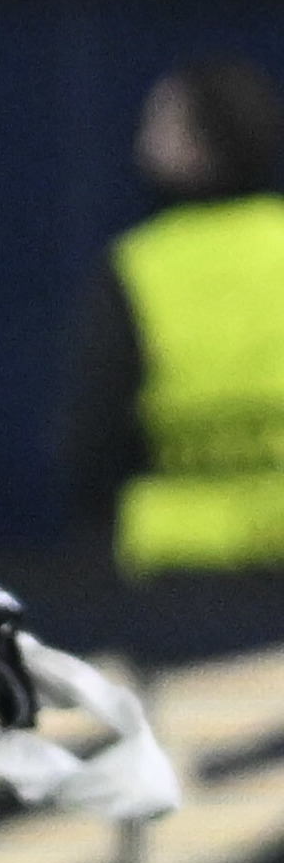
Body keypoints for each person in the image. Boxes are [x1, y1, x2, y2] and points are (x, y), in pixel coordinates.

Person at [61, 59, 284, 574]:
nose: (142, 143)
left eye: (159, 124)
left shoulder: (137, 265)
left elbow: (93, 440)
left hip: (172, 566)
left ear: (197, 146)